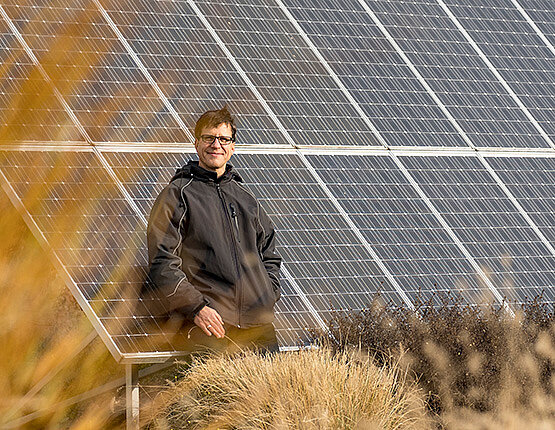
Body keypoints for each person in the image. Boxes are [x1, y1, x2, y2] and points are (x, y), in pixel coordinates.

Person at [146, 106, 281, 354]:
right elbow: (162, 262)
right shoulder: (177, 195)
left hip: (258, 327)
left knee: (273, 393)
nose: (215, 145)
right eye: (208, 138)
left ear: (232, 146)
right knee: (218, 393)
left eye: (223, 139)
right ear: (196, 143)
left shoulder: (246, 198)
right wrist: (197, 308)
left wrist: (267, 295)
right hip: (210, 326)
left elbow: (269, 254)